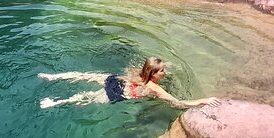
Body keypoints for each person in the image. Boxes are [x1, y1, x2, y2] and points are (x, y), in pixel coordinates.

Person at [38, 57, 221, 109]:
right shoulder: (153, 87)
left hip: (114, 80)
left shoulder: (140, 73)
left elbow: (132, 72)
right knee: (86, 98)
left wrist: (165, 64)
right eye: (163, 70)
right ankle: (55, 102)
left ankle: (53, 77)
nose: (166, 71)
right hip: (119, 94)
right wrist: (202, 100)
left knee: (84, 76)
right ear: (154, 74)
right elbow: (178, 103)